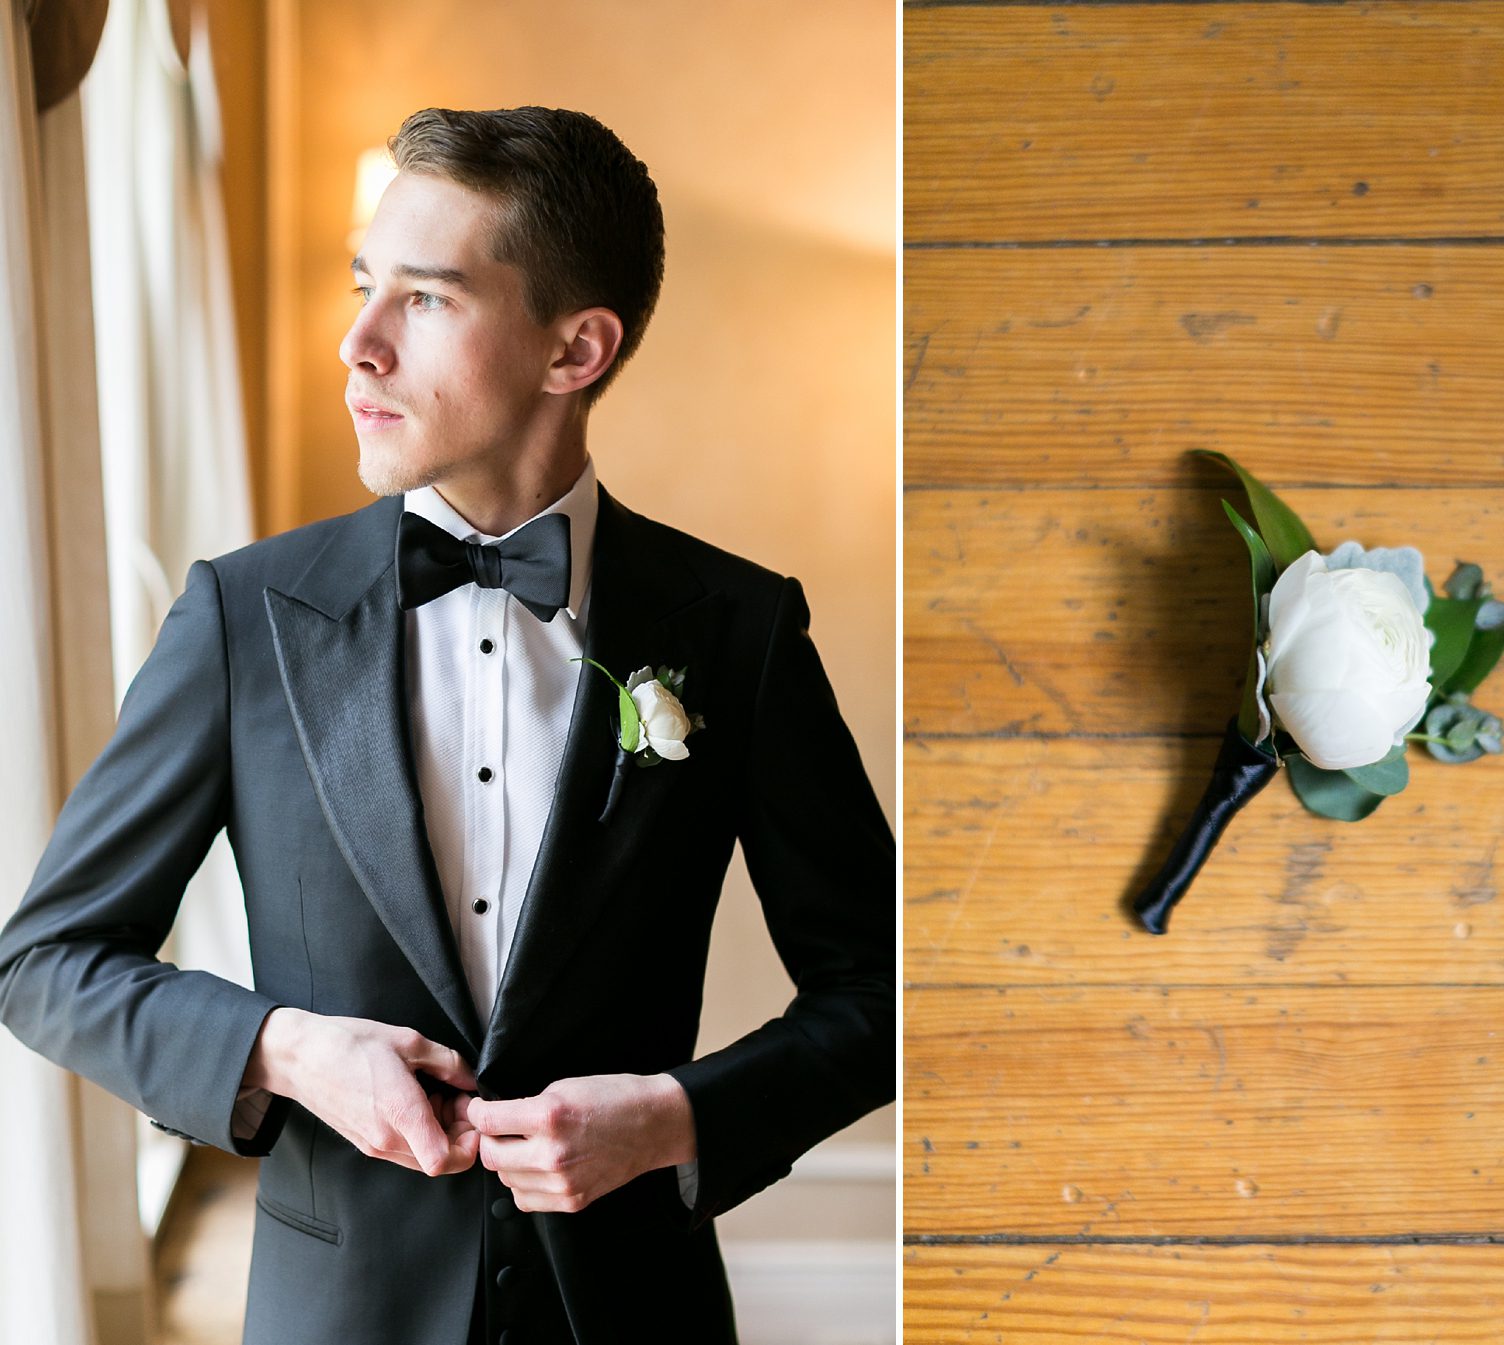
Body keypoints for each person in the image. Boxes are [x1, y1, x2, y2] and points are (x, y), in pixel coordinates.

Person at [0, 105, 894, 1345]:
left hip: (635, 1313)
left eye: (423, 300)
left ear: (574, 349)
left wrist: (674, 1117)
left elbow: (883, 988)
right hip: (337, 1311)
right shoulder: (244, 615)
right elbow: (47, 962)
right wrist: (287, 1050)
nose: (357, 344)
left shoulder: (736, 630)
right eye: (366, 288)